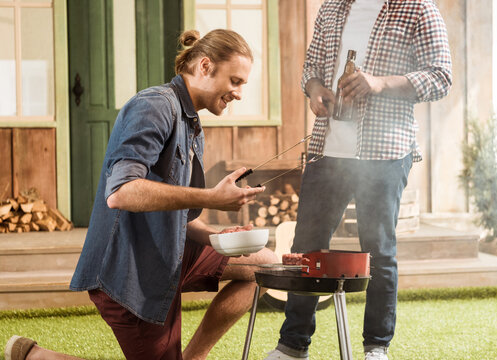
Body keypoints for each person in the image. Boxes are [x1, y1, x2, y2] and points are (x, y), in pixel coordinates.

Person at [5, 28, 278, 360]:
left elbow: (170, 213)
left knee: (264, 265)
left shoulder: (190, 121)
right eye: (235, 81)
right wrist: (210, 197)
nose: (238, 93)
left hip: (168, 253)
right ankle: (35, 356)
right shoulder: (154, 106)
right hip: (129, 268)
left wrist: (215, 237)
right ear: (205, 66)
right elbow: (121, 192)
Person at [265, 1, 452, 359]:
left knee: (378, 251)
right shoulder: (333, 6)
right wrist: (315, 89)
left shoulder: (417, 7)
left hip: (384, 152)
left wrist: (379, 83)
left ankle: (376, 347)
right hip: (328, 149)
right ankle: (292, 345)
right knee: (306, 249)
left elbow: (441, 77)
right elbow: (312, 67)